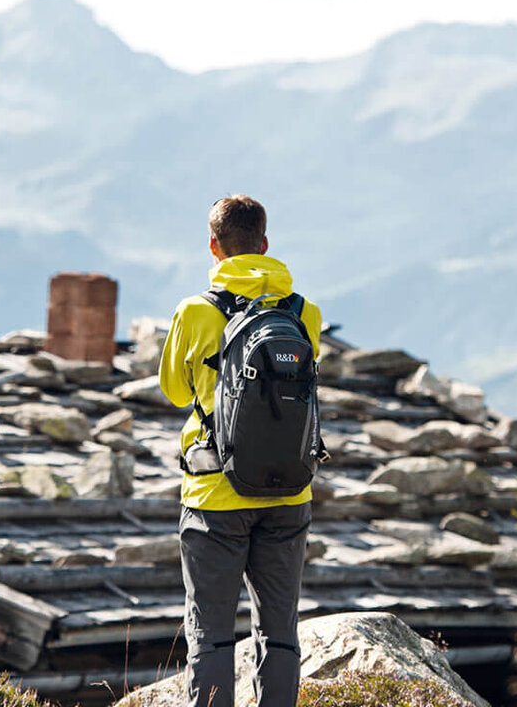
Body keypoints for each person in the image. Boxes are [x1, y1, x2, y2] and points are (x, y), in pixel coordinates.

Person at [158, 194, 322, 707]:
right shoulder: (303, 312)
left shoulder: (194, 311)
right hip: (289, 491)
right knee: (280, 634)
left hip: (214, 496)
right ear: (265, 244)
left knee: (211, 634)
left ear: (214, 247)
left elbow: (176, 392)